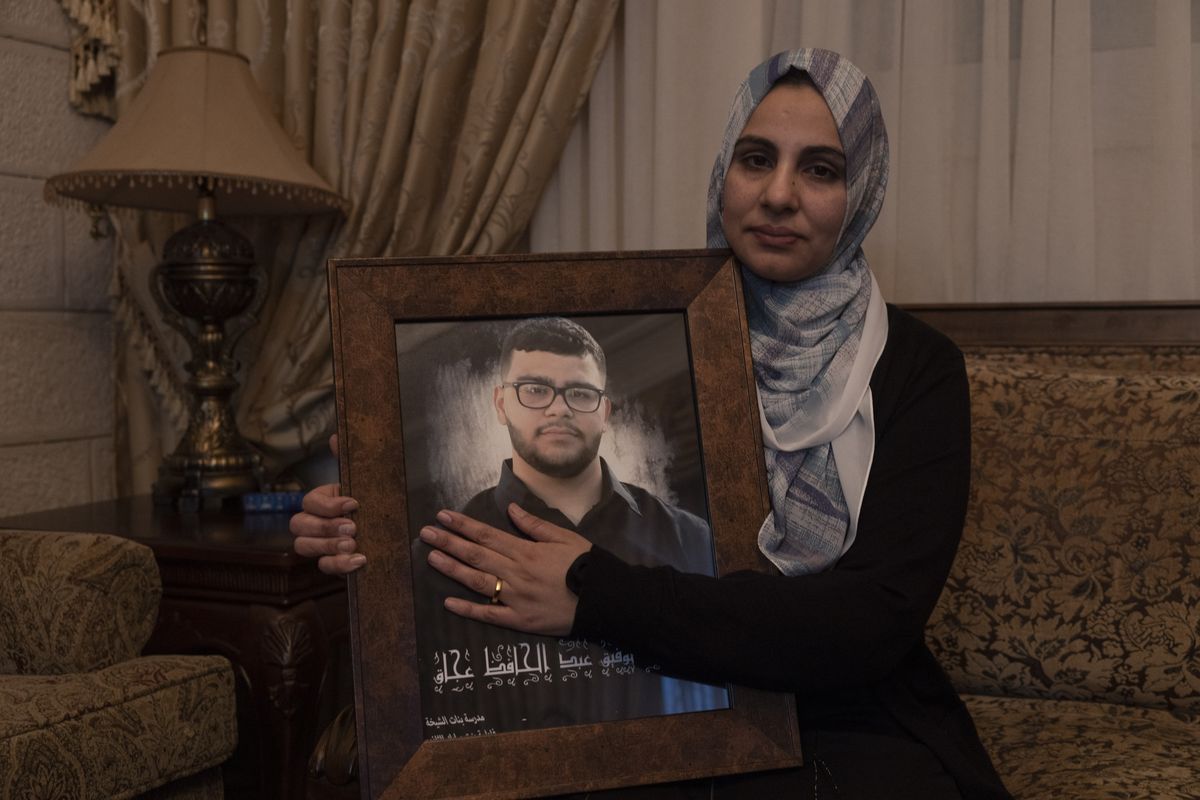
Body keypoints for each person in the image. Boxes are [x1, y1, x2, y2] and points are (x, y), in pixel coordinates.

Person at [292, 48, 1012, 799]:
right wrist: (372, 522)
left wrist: (595, 594)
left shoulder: (916, 370)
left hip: (848, 720)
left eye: (821, 170)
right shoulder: (661, 342)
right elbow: (475, 582)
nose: (777, 194)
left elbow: (869, 623)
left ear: (861, 191)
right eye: (755, 158)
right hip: (643, 706)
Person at [402, 315, 726, 737]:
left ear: (605, 411)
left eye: (580, 393)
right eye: (535, 390)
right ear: (501, 405)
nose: (560, 407)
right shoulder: (434, 561)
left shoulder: (693, 540)